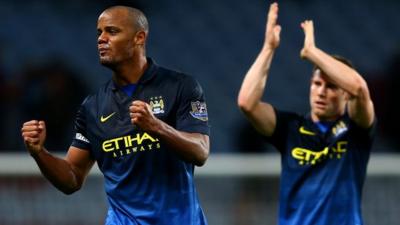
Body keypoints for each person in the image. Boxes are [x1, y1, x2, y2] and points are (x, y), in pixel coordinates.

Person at [21, 6, 210, 225]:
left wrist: (157, 127)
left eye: (111, 31)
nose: (101, 39)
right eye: (99, 32)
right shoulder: (92, 107)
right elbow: (72, 178)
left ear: (139, 37)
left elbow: (200, 151)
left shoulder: (180, 86)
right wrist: (39, 153)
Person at [237, 2, 375, 225]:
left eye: (330, 86)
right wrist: (268, 48)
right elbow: (247, 103)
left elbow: (359, 88)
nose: (321, 92)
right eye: (317, 83)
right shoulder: (290, 128)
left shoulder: (356, 128)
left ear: (345, 94)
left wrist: (312, 52)